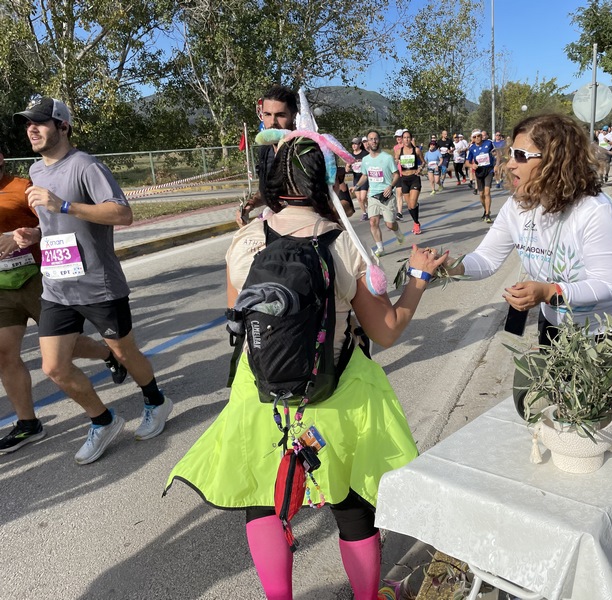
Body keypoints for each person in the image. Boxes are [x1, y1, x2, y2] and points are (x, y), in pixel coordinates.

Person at [165, 131, 448, 600]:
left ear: (271, 182)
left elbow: (238, 322)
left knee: (264, 500)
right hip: (336, 392)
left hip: (263, 396)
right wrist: (418, 276)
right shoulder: (343, 244)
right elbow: (387, 331)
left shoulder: (244, 241)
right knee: (352, 502)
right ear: (328, 182)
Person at [12, 97, 171, 465]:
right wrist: (35, 234)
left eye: (40, 122)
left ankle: (156, 401)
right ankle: (103, 420)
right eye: (28, 123)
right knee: (53, 367)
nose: (32, 129)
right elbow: (56, 224)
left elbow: (122, 213)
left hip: (98, 284)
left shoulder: (86, 166)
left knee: (125, 353)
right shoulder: (35, 171)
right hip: (57, 285)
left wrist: (64, 205)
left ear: (63, 126)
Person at [446, 113, 612, 345]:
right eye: (511, 153)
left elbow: (605, 284)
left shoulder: (595, 210)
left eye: (520, 155)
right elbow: (486, 259)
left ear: (555, 161)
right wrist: (449, 266)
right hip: (555, 324)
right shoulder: (516, 206)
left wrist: (547, 292)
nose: (510, 164)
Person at [0, 150, 127, 454]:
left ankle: (108, 355)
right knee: (4, 354)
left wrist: (20, 236)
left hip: (38, 276)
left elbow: (54, 224)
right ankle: (28, 423)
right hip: (2, 287)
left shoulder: (22, 187)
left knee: (65, 345)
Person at [239, 85, 298, 225]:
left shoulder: (309, 149)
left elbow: (345, 204)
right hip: (275, 226)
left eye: (280, 115)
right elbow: (266, 191)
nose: (272, 122)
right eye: (267, 115)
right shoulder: (265, 150)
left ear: (293, 116)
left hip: (306, 228)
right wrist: (249, 205)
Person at [357, 130, 404, 258]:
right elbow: (364, 175)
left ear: (379, 140)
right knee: (373, 222)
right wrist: (356, 186)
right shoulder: (365, 160)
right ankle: (380, 248)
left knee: (390, 224)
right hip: (373, 195)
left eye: (375, 138)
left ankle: (398, 232)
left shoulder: (387, 158)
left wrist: (391, 186)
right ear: (367, 142)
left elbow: (396, 174)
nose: (373, 141)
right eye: (371, 139)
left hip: (387, 195)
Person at [394, 130, 425, 235]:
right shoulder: (399, 151)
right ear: (402, 140)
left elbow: (423, 162)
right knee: (410, 206)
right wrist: (396, 162)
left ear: (411, 139)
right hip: (404, 179)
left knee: (412, 203)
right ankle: (416, 221)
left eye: (408, 137)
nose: (406, 139)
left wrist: (420, 168)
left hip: (414, 178)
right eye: (404, 138)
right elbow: (395, 161)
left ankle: (416, 224)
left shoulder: (416, 150)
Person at [465, 129, 496, 223]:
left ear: (481, 136)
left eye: (479, 136)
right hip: (479, 172)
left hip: (489, 170)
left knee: (487, 192)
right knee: (481, 194)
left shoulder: (489, 143)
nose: (477, 138)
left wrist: (497, 165)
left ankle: (487, 214)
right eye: (475, 137)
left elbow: (497, 153)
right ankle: (486, 209)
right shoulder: (471, 148)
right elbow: (467, 163)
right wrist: (472, 165)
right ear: (472, 138)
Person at [347, 137, 369, 220]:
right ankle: (364, 213)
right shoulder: (350, 155)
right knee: (359, 198)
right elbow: (347, 168)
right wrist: (348, 166)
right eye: (352, 144)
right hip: (355, 178)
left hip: (364, 177)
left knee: (363, 197)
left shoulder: (365, 154)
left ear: (360, 144)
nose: (354, 145)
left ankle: (370, 208)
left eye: (355, 144)